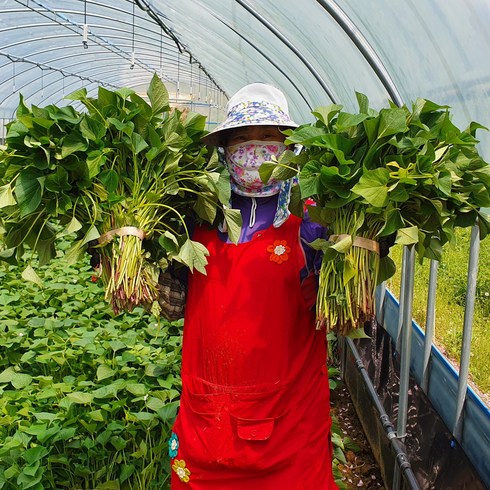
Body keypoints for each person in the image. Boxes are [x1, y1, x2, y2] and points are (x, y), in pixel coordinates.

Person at [166, 83, 338, 489]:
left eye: (268, 137)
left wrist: (355, 253)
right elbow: (175, 297)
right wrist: (166, 276)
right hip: (207, 419)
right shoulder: (198, 217)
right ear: (225, 151)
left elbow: (335, 309)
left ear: (288, 148)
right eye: (241, 138)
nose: (254, 149)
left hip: (288, 428)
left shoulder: (310, 221)